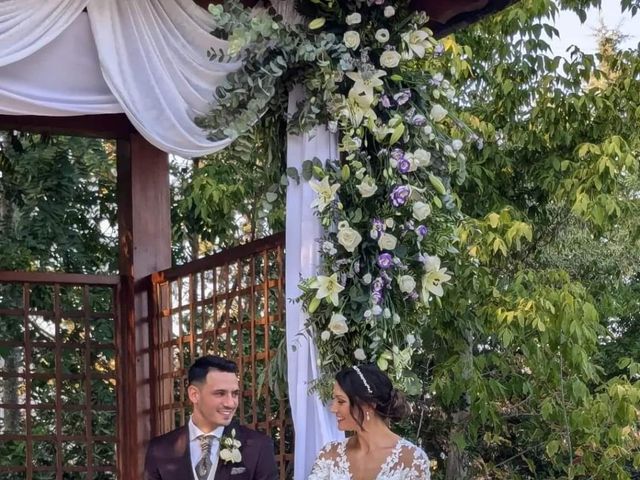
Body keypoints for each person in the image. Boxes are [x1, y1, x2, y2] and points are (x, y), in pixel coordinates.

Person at [144, 355, 279, 480]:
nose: (230, 403)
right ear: (194, 394)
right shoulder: (160, 449)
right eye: (220, 393)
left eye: (235, 394)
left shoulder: (258, 446)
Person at [308, 363, 430, 479]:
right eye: (334, 400)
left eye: (341, 401)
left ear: (369, 405)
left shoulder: (411, 460)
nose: (333, 409)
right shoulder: (330, 455)